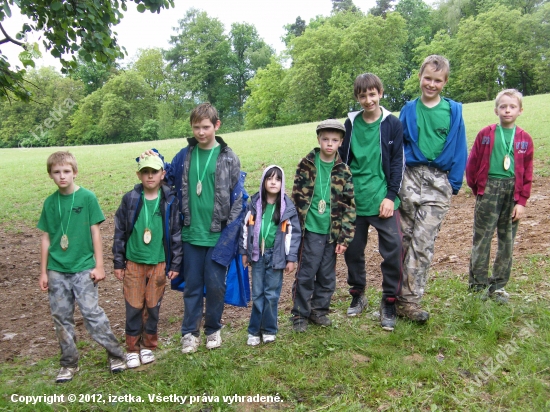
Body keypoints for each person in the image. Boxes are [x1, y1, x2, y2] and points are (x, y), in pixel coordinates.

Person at [150, 103, 242, 353]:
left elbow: (238, 197)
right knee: (192, 286)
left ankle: (213, 329)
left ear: (216, 125)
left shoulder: (228, 156)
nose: (201, 132)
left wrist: (230, 233)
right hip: (190, 233)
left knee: (215, 286)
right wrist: (155, 159)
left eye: (205, 127)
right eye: (196, 127)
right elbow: (168, 178)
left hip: (217, 235)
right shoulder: (185, 155)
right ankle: (189, 333)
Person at [37, 151, 126, 383]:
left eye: (66, 171)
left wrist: (99, 265)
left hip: (83, 268)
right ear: (50, 175)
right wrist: (43, 272)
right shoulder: (49, 203)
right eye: (56, 172)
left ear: (75, 172)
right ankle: (69, 363)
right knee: (61, 317)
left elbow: (96, 233)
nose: (62, 176)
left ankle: (116, 355)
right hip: (57, 269)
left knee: (92, 314)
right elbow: (46, 238)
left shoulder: (87, 198)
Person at [397, 55, 468, 323]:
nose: (431, 84)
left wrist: (454, 182)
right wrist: (395, 183)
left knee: (423, 242)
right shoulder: (409, 110)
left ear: (445, 82)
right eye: (427, 78)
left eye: (437, 80)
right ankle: (392, 298)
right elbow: (397, 148)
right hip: (410, 178)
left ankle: (411, 302)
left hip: (439, 181)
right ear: (419, 77)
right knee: (402, 239)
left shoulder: (453, 111)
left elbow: (460, 146)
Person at [338, 73, 404, 331]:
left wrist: (391, 196)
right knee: (353, 250)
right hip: (355, 199)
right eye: (363, 95)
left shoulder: (392, 124)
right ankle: (358, 294)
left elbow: (398, 162)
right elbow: (341, 162)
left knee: (394, 248)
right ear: (357, 97)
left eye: (372, 94)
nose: (368, 100)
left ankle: (389, 301)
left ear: (381, 93)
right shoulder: (350, 124)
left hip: (382, 198)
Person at [112, 155, 182, 368]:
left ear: (163, 174)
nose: (150, 176)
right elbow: (120, 232)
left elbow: (176, 234)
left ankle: (148, 346)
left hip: (159, 262)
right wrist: (118, 261)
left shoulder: (170, 200)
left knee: (152, 305)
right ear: (139, 174)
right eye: (145, 172)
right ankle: (132, 348)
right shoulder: (130, 199)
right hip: (133, 262)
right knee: (133, 305)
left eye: (154, 172)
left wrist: (176, 264)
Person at [466, 89, 533, 304]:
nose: (507, 110)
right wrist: (478, 190)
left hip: (512, 193)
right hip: (488, 190)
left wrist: (521, 201)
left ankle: (498, 286)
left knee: (507, 242)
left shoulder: (525, 139)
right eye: (503, 106)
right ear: (496, 110)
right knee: (482, 240)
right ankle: (477, 286)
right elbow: (472, 163)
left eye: (512, 107)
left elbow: (529, 172)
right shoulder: (485, 134)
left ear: (520, 110)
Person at [291, 119, 356, 332]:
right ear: (319, 139)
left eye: (334, 140)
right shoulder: (307, 164)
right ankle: (299, 314)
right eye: (325, 139)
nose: (329, 144)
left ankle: (319, 311)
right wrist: (296, 228)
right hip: (310, 230)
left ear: (341, 142)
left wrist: (344, 238)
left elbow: (349, 206)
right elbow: (296, 196)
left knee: (327, 276)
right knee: (306, 273)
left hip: (332, 233)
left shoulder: (343, 170)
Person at [240, 166, 301, 345]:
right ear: (263, 182)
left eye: (277, 179)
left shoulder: (287, 208)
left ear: (282, 183)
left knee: (271, 294)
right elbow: (245, 230)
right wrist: (244, 252)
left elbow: (294, 235)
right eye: (269, 178)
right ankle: (254, 331)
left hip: (277, 256)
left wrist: (291, 258)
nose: (273, 182)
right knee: (257, 294)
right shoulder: (254, 204)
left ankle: (269, 329)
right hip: (258, 255)